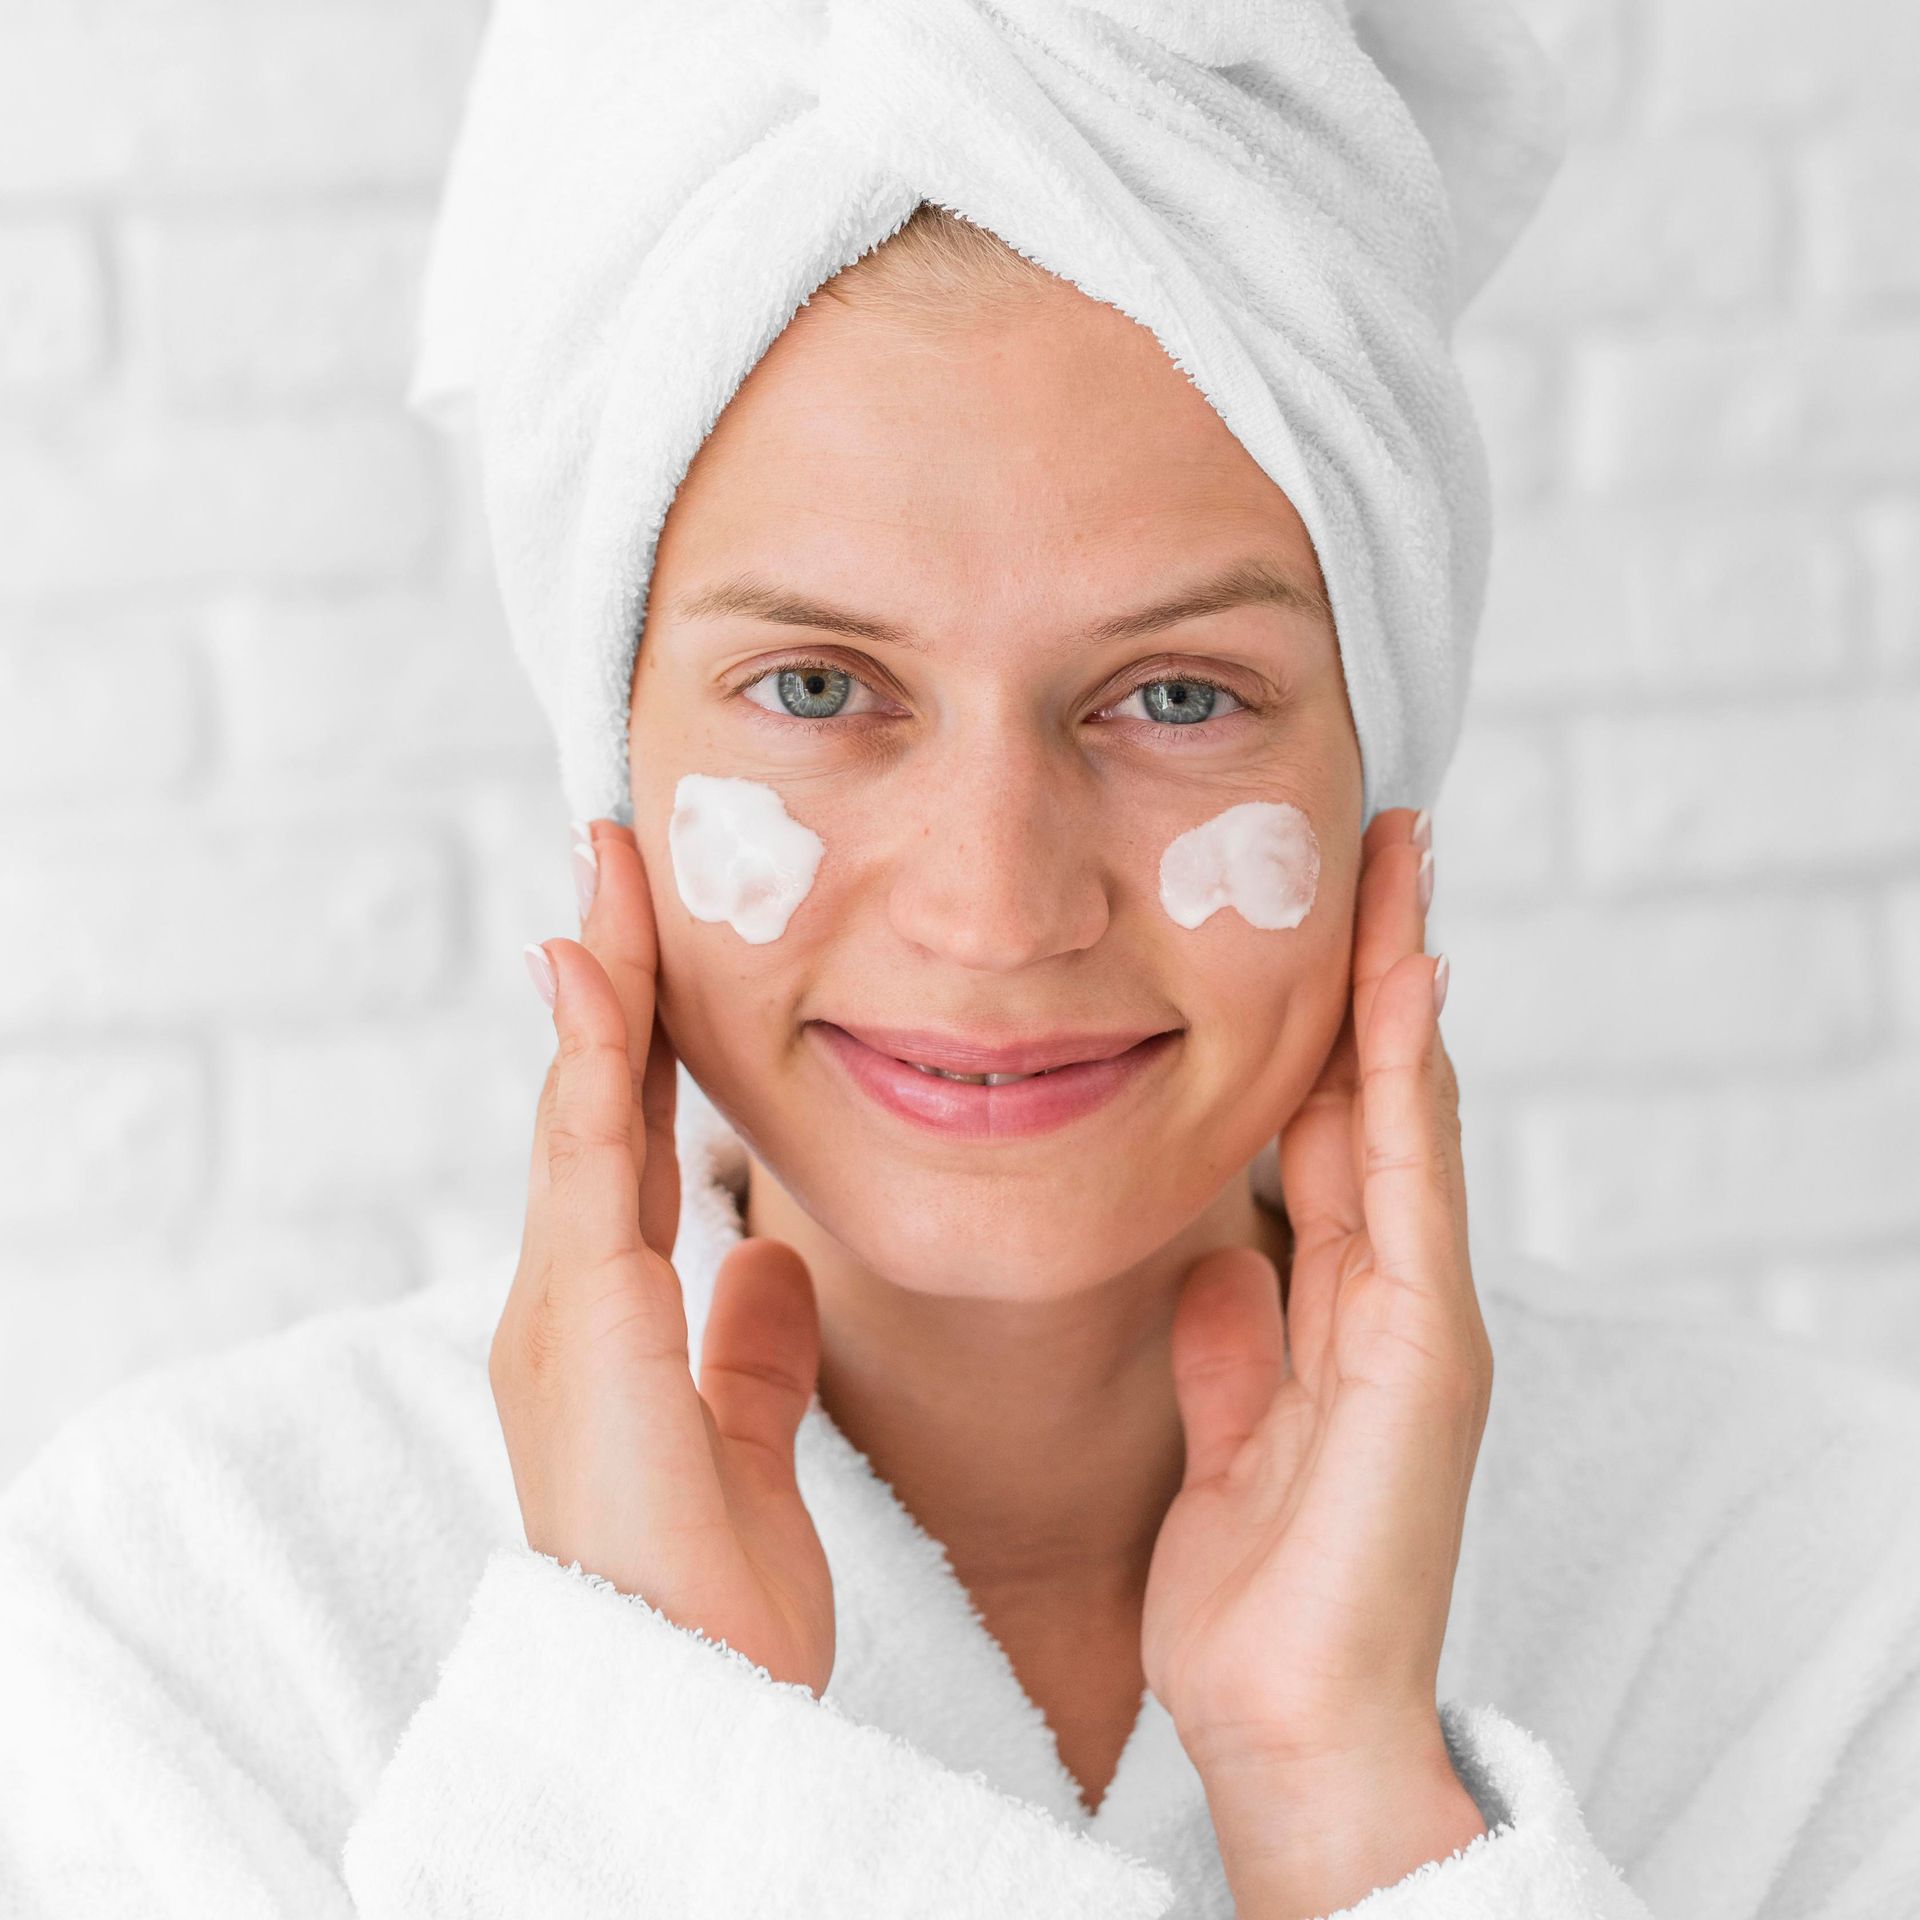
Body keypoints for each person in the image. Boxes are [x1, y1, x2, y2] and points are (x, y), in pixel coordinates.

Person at [3, 200, 1918, 1919]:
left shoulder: (1834, 1585)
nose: (998, 910)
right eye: (820, 692)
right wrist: (645, 1734)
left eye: (1178, 695)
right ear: (619, 780)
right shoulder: (191, 1600)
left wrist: (1350, 1808)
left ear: (1377, 791)